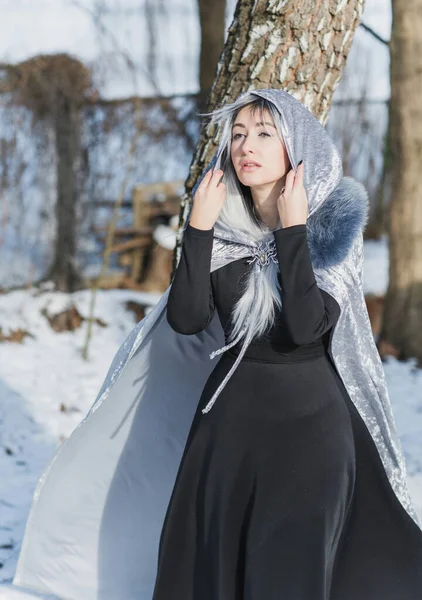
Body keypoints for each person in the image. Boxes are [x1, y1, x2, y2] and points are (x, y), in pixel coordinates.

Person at [13, 89, 422, 600]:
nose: (246, 146)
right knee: (209, 571)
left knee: (289, 575)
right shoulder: (224, 229)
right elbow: (187, 320)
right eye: (238, 134)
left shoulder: (331, 225)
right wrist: (199, 228)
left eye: (264, 134)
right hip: (226, 434)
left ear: (295, 147)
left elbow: (305, 329)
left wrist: (293, 231)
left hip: (308, 437)